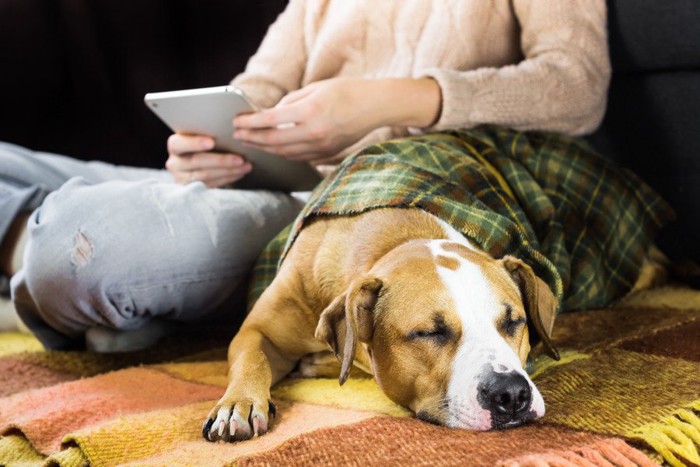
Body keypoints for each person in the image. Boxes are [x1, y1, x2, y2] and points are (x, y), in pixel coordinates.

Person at [0, 0, 611, 351]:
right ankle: (61, 266)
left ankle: (43, 253)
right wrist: (211, 145)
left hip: (341, 209)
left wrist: (388, 103)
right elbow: (257, 90)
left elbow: (576, 85)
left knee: (78, 248)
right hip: (263, 179)